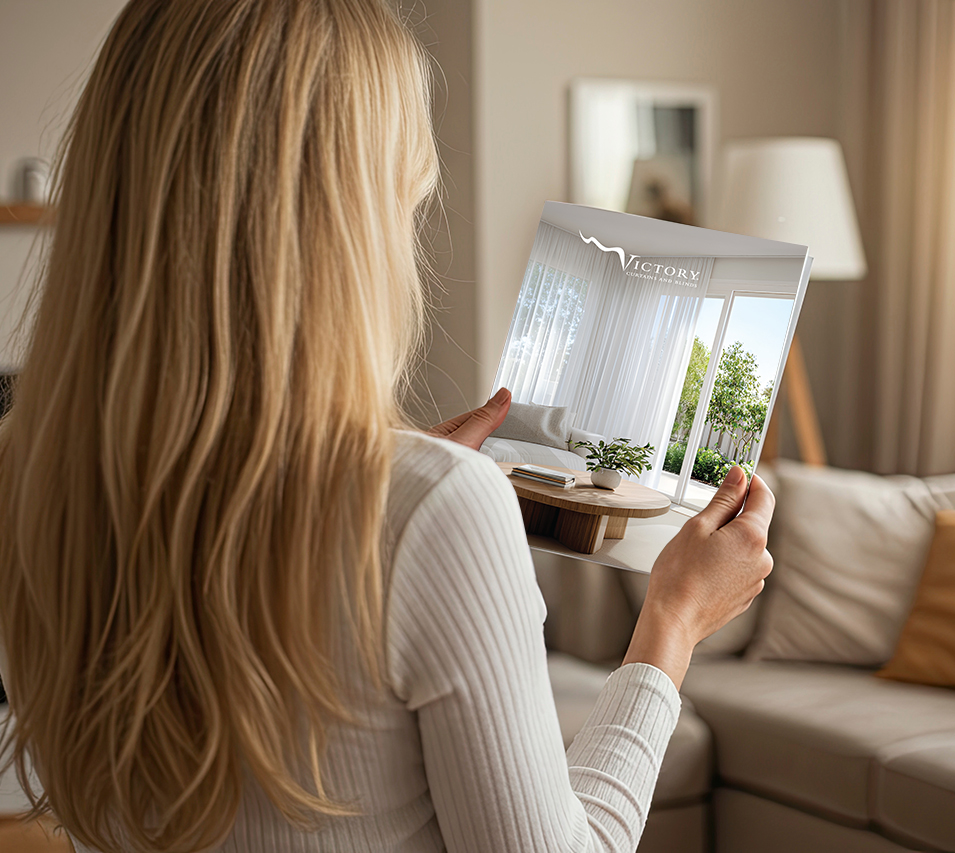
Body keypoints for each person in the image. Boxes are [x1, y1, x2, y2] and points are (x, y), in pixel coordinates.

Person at [0, 2, 775, 852]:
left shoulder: (28, 471)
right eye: (407, 205)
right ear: (347, 230)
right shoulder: (437, 508)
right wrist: (672, 617)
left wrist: (392, 491)